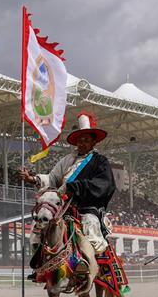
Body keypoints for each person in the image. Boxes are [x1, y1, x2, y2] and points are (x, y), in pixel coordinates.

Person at [20, 112, 116, 270]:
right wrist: (33, 179)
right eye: (79, 140)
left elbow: (104, 184)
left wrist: (75, 187)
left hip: (85, 206)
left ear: (93, 142)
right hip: (62, 204)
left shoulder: (100, 162)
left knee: (90, 224)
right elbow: (52, 178)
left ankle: (93, 265)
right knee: (40, 219)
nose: (81, 143)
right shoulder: (67, 160)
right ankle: (39, 258)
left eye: (86, 140)